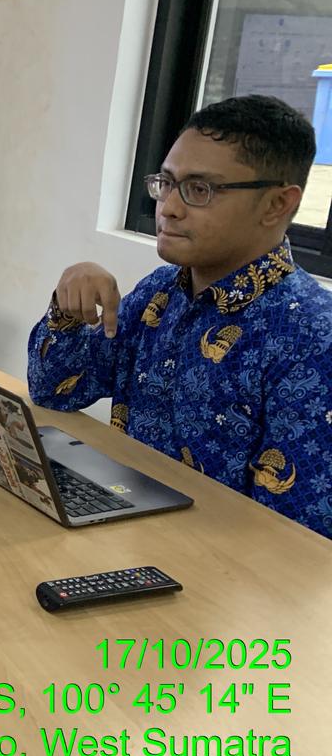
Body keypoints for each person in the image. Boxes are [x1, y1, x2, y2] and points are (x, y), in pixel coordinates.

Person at [28, 94, 332, 539]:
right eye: (166, 183)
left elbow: (296, 539)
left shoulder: (312, 337)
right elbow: (54, 390)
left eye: (200, 189)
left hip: (213, 569)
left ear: (276, 205)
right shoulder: (161, 292)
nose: (168, 206)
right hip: (126, 530)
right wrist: (67, 307)